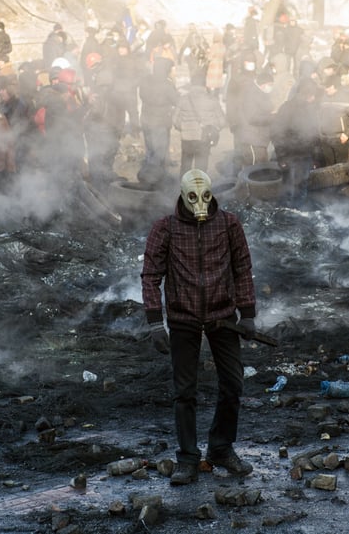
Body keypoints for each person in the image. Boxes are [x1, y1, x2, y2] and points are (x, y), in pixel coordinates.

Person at [141, 168, 257, 486]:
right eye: (193, 197)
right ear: (182, 196)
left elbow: (243, 267)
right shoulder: (165, 229)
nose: (200, 203)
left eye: (205, 195)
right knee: (185, 392)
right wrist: (155, 323)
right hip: (184, 319)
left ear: (212, 193)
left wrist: (247, 314)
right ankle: (188, 458)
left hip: (223, 317)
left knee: (233, 385)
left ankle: (220, 447)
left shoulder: (229, 224)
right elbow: (151, 275)